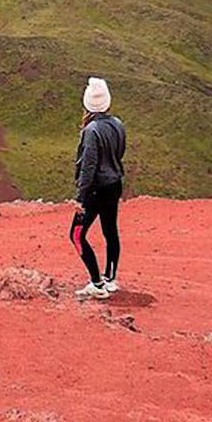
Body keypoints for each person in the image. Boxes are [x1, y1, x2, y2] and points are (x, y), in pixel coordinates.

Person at [69, 76, 125, 298]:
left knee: (76, 234)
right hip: (114, 184)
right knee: (110, 230)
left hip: (95, 190)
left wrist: (81, 198)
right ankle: (110, 279)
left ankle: (97, 284)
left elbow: (88, 167)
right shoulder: (118, 124)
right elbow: (119, 153)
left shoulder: (91, 131)